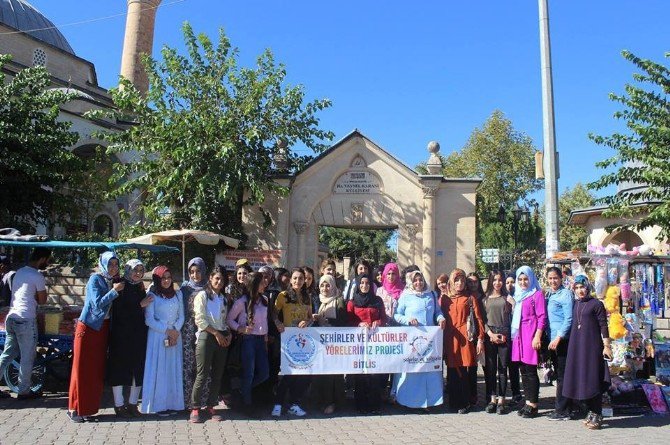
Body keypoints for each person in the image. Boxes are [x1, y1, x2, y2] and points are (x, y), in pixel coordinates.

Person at [68, 251, 123, 422]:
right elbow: (96, 303)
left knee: (95, 371)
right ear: (103, 264)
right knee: (81, 369)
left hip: (103, 328)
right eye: (110, 264)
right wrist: (114, 292)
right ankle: (74, 409)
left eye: (116, 264)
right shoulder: (95, 279)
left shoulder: (114, 280)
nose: (113, 268)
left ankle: (89, 409)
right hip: (89, 328)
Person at [0, 247, 50, 399]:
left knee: (7, 354)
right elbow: (42, 301)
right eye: (48, 260)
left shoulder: (20, 272)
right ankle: (24, 391)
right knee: (27, 356)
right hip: (26, 319)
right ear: (42, 259)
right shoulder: (37, 276)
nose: (48, 263)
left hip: (12, 318)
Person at [562, 275, 612, 430]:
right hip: (577, 347)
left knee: (593, 378)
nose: (580, 290)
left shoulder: (596, 304)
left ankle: (597, 414)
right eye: (576, 288)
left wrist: (606, 345)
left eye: (582, 287)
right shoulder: (576, 304)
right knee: (582, 378)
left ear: (588, 287)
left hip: (592, 348)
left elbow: (603, 325)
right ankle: (590, 412)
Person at [393, 270, 446, 411]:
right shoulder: (405, 296)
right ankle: (409, 401)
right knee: (412, 372)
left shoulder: (432, 295)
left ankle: (428, 402)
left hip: (429, 340)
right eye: (415, 280)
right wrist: (408, 320)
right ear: (411, 281)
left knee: (428, 371)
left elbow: (437, 312)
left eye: (420, 280)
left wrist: (441, 319)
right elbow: (397, 315)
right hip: (412, 341)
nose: (418, 283)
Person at [107, 259, 151, 417]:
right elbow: (119, 310)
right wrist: (140, 305)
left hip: (138, 334)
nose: (138, 273)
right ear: (128, 270)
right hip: (121, 335)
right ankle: (119, 405)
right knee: (119, 369)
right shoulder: (120, 285)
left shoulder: (139, 286)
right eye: (135, 269)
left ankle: (133, 404)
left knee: (137, 369)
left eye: (141, 270)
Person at [189, 266, 231, 423]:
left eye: (222, 279)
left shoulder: (223, 298)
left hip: (221, 337)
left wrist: (228, 333)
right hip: (207, 336)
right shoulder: (202, 296)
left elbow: (224, 320)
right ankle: (195, 408)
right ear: (210, 279)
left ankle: (211, 406)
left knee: (217, 374)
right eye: (216, 279)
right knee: (202, 374)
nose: (219, 282)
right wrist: (216, 333)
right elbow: (199, 319)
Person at [439, 270, 485, 414]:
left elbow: (478, 319)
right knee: (452, 370)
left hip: (466, 337)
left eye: (462, 281)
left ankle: (466, 402)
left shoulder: (470, 298)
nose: (459, 283)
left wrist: (480, 339)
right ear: (452, 281)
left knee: (465, 369)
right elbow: (439, 316)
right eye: (456, 280)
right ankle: (454, 401)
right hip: (450, 338)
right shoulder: (445, 299)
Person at [141, 266, 185, 416]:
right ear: (157, 279)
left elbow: (182, 316)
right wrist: (167, 330)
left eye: (168, 277)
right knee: (160, 370)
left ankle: (173, 403)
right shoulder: (153, 296)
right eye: (163, 278)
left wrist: (175, 331)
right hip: (158, 336)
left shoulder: (178, 294)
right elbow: (149, 320)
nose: (166, 281)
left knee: (172, 369)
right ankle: (159, 405)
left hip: (175, 336)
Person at [271, 268, 312, 417]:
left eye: (300, 278)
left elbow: (310, 317)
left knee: (300, 374)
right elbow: (274, 313)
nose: (297, 281)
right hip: (287, 340)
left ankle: (294, 404)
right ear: (290, 280)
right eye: (295, 278)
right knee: (288, 373)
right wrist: (278, 323)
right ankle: (278, 403)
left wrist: (306, 322)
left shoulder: (307, 297)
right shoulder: (283, 296)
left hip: (302, 340)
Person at [227, 272, 270, 418]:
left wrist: (265, 337)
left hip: (260, 341)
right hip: (248, 340)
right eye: (261, 282)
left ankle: (242, 391)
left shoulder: (265, 300)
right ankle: (247, 404)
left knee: (264, 373)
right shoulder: (242, 302)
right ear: (254, 284)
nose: (265, 284)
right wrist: (241, 328)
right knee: (249, 373)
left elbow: (264, 321)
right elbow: (230, 320)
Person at [510, 266, 547, 419]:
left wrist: (537, 336)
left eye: (526, 279)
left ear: (531, 279)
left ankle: (534, 404)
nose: (523, 282)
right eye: (520, 279)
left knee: (531, 371)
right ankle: (527, 401)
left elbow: (542, 317)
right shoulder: (518, 295)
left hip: (530, 335)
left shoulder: (536, 295)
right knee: (523, 370)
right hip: (519, 336)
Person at [347, 273, 386, 414]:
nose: (364, 286)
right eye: (362, 283)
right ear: (358, 285)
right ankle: (361, 405)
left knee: (374, 374)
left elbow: (384, 318)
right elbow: (348, 321)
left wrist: (378, 322)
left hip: (375, 343)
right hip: (359, 344)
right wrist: (359, 324)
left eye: (367, 283)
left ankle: (374, 405)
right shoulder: (352, 302)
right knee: (361, 374)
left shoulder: (377, 300)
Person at [180, 258, 211, 412]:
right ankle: (187, 401)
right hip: (187, 330)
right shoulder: (185, 288)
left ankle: (202, 401)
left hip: (204, 329)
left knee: (203, 366)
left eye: (198, 271)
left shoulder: (208, 288)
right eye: (191, 272)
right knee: (187, 365)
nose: (195, 275)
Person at [313, 274, 347, 414]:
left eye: (328, 285)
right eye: (322, 285)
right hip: (319, 343)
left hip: (334, 344)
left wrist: (326, 321)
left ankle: (333, 402)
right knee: (322, 373)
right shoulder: (316, 300)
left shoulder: (338, 301)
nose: (325, 288)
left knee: (334, 375)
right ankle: (322, 401)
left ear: (333, 286)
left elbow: (343, 322)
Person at [545, 266, 574, 421]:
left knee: (563, 376)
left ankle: (562, 410)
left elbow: (568, 319)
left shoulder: (566, 294)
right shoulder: (551, 294)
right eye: (550, 278)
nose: (553, 281)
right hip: (553, 341)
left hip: (562, 341)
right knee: (559, 374)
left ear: (561, 278)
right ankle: (565, 407)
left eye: (555, 278)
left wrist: (559, 337)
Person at [482, 270, 512, 414]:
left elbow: (514, 317)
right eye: (494, 280)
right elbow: (482, 320)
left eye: (500, 280)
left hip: (504, 334)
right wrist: (490, 334)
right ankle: (492, 398)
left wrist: (505, 334)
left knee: (502, 368)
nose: (497, 283)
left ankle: (501, 399)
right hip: (490, 335)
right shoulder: (485, 298)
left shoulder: (507, 298)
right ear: (490, 281)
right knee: (491, 368)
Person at [505, 272, 522, 405]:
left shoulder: (519, 296)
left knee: (514, 366)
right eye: (507, 282)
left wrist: (514, 304)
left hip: (516, 336)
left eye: (512, 282)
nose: (510, 285)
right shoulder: (502, 297)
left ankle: (516, 392)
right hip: (504, 335)